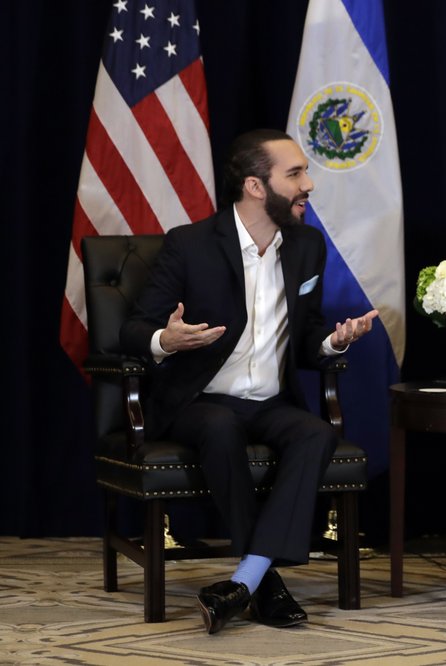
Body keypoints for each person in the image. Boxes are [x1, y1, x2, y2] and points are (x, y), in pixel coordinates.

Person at [120, 128, 379, 635]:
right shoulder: (191, 244)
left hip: (268, 400)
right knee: (219, 426)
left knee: (317, 432)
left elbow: (305, 336)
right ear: (256, 187)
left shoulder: (307, 247)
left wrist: (334, 342)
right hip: (200, 398)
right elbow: (132, 330)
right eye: (295, 174)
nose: (308, 184)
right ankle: (265, 583)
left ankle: (245, 581)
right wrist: (165, 341)